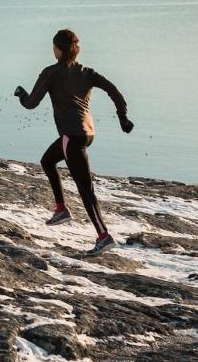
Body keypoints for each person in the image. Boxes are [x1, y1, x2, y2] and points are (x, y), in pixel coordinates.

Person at [14, 28, 133, 252]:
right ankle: (61, 210)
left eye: (54, 47)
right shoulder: (86, 72)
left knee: (85, 189)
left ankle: (103, 235)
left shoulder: (51, 72)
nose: (53, 50)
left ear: (58, 50)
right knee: (47, 161)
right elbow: (114, 91)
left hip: (72, 136)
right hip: (87, 134)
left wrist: (21, 94)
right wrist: (123, 118)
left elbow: (31, 103)